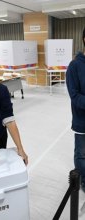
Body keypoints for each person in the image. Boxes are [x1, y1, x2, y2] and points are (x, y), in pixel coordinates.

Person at [66, 28, 85, 193]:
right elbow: (75, 96)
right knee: (81, 154)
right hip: (81, 122)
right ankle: (83, 180)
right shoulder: (74, 66)